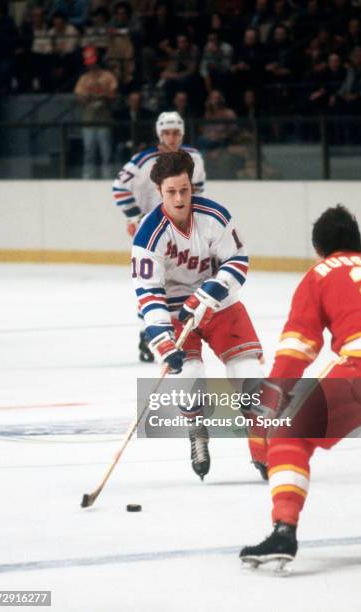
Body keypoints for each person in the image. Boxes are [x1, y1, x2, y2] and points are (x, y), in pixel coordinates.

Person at [240, 205, 361, 566]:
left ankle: (283, 532)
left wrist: (272, 402)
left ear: (319, 251)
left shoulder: (319, 273)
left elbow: (298, 346)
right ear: (358, 244)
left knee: (291, 435)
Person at [131, 150, 265, 479]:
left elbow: (238, 261)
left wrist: (208, 292)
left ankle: (264, 450)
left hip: (220, 305)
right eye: (171, 192)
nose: (179, 199)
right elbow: (148, 293)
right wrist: (162, 340)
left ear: (192, 186)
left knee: (249, 375)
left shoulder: (214, 216)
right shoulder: (148, 236)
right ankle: (197, 431)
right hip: (176, 313)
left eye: (184, 190)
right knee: (191, 379)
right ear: (159, 192)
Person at [112, 111, 206, 362]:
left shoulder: (194, 157)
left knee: (180, 281)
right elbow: (119, 188)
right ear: (159, 133)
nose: (172, 137)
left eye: (176, 132)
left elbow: (198, 192)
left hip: (183, 232)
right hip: (152, 232)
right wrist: (134, 217)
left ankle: (175, 329)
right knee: (152, 283)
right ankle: (148, 332)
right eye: (166, 133)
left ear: (182, 133)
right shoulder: (142, 160)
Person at [74, 45, 117, 179]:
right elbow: (79, 97)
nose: (91, 66)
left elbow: (112, 94)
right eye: (89, 63)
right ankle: (87, 179)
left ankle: (107, 178)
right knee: (89, 152)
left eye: (93, 62)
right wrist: (93, 96)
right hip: (88, 120)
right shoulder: (84, 79)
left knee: (106, 153)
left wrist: (100, 95)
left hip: (104, 119)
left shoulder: (107, 76)